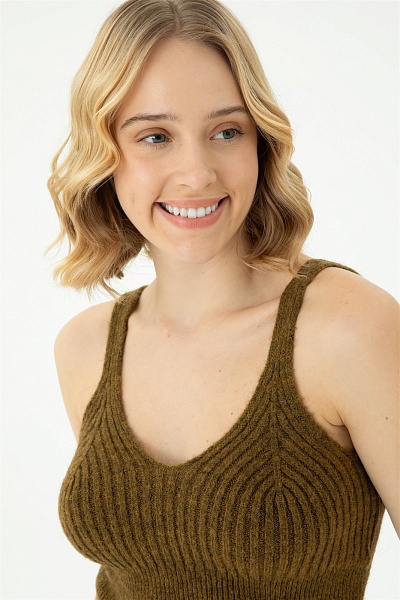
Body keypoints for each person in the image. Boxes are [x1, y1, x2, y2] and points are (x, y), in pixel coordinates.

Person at [48, 1, 399, 598]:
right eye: (155, 136)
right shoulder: (85, 347)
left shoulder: (347, 327)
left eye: (227, 131)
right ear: (104, 153)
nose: (197, 173)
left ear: (261, 142)